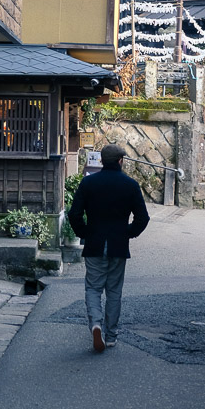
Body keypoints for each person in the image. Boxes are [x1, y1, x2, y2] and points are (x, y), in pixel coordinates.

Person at [67, 143, 149, 353]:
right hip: (118, 244)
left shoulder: (88, 183)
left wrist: (84, 233)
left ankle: (96, 324)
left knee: (93, 288)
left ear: (101, 161)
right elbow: (143, 218)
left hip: (94, 242)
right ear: (121, 161)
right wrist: (128, 233)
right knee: (114, 291)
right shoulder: (130, 185)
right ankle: (111, 335)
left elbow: (74, 214)